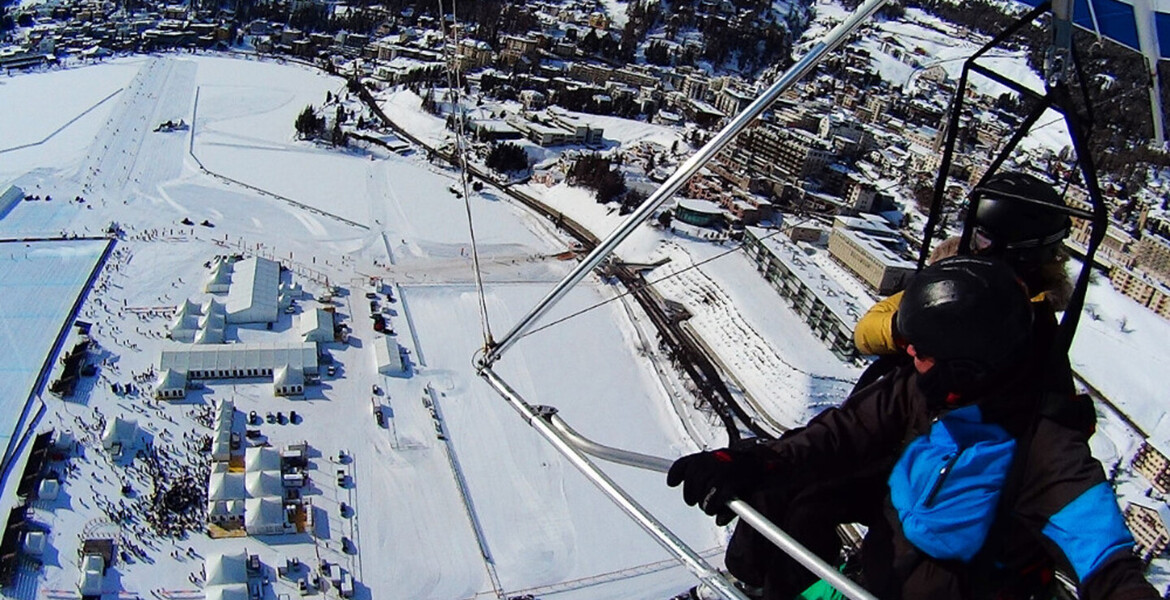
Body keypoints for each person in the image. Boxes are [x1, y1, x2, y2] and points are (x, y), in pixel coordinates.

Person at [668, 256, 1156, 600]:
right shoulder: (922, 391)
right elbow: (841, 433)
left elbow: (1107, 561)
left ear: (967, 367)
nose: (907, 357)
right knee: (796, 501)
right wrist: (755, 461)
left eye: (920, 352)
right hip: (876, 577)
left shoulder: (1042, 448)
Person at [854, 171, 1073, 357]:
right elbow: (866, 331)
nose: (971, 246)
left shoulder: (1024, 329)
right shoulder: (958, 277)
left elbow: (867, 335)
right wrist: (903, 325)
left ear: (1021, 253)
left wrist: (914, 325)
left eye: (982, 238)